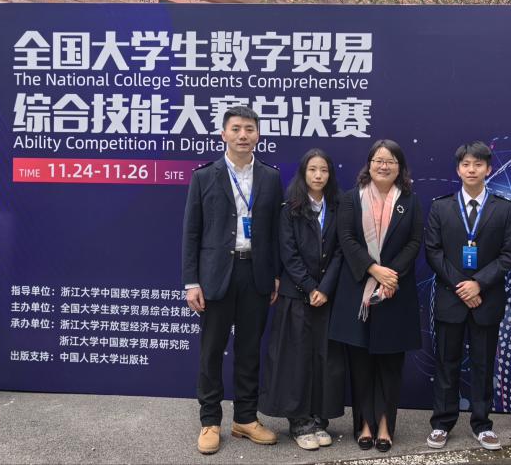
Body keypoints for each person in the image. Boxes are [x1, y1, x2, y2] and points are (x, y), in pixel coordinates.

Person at [181, 105, 283, 455]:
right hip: (216, 275)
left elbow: (276, 232)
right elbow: (191, 232)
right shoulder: (204, 176)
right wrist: (191, 282)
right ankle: (210, 420)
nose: (243, 135)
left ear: (258, 135)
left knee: (249, 350)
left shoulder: (270, 177)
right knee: (211, 351)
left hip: (255, 273)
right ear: (223, 134)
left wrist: (275, 275)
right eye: (236, 129)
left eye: (249, 129)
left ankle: (245, 418)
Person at [328, 139, 423, 453]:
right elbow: (346, 238)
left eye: (391, 161)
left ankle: (385, 425)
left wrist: (390, 275)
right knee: (361, 365)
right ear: (369, 165)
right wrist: (373, 269)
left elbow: (414, 242)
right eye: (378, 160)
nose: (384, 166)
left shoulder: (409, 200)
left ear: (400, 167)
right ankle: (365, 425)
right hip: (358, 292)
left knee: (390, 365)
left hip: (395, 291)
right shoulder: (350, 198)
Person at [425, 142, 511, 451]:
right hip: (451, 299)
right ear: (458, 169)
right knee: (446, 363)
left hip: (486, 299)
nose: (472, 169)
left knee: (483, 364)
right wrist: (462, 286)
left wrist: (478, 284)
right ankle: (442, 423)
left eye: (478, 164)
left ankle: (482, 424)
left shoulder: (504, 208)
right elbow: (433, 252)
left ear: (488, 169)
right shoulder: (441, 207)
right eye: (466, 164)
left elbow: (508, 255)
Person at [259, 148, 346, 451]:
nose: (318, 175)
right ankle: (298, 421)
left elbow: (341, 251)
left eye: (324, 170)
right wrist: (310, 287)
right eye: (312, 170)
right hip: (297, 295)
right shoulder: (290, 208)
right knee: (295, 359)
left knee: (325, 357)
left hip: (327, 296)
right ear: (303, 173)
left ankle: (319, 418)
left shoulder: (339, 206)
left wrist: (326, 288)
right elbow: (288, 253)